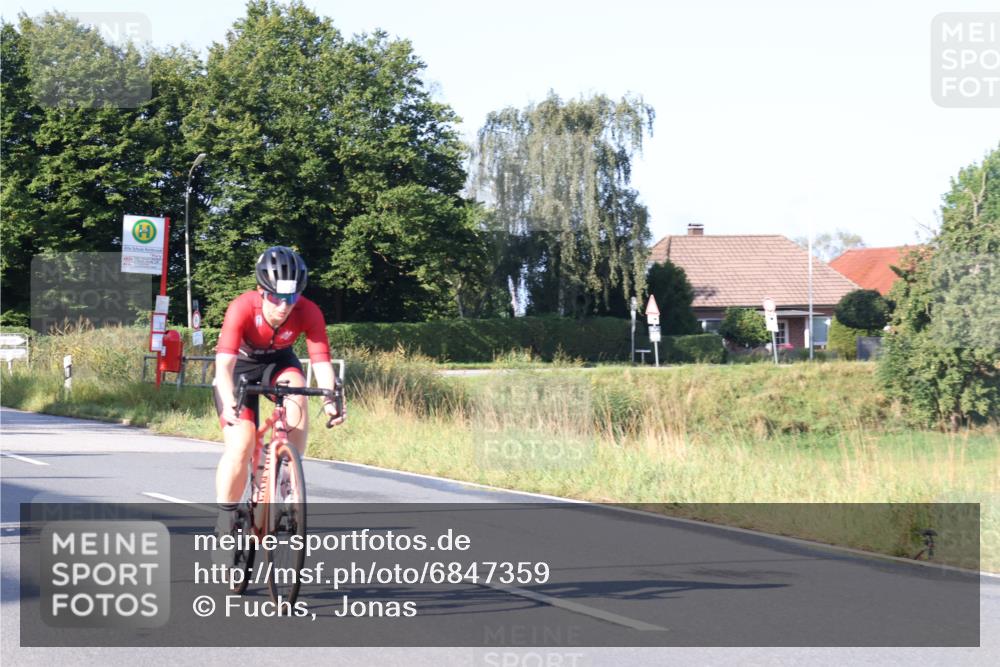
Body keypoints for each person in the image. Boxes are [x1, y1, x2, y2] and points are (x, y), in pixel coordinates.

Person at [212, 246, 343, 537]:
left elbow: (321, 362)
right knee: (242, 443)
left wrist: (330, 399)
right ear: (261, 291)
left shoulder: (309, 311)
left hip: (278, 362)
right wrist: (230, 399)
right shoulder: (242, 307)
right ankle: (225, 520)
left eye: (291, 298)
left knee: (298, 394)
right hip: (240, 369)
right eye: (275, 297)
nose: (283, 306)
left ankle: (285, 479)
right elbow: (223, 366)